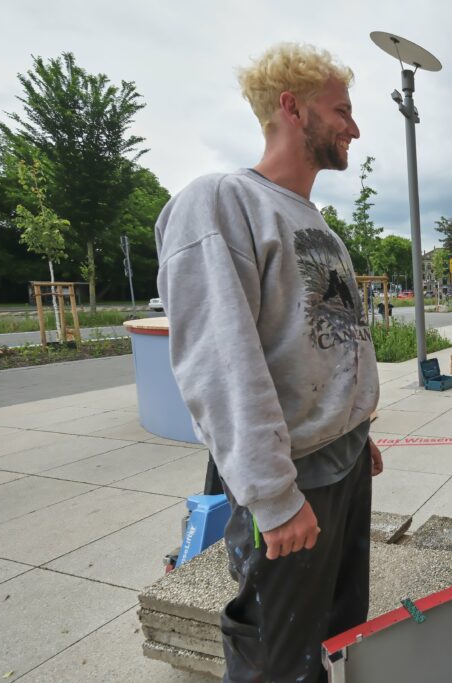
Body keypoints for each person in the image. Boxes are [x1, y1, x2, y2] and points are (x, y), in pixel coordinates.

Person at [154, 43, 381, 683]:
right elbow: (221, 362)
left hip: (344, 464)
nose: (354, 128)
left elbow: (326, 342)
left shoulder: (316, 222)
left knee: (336, 637)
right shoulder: (222, 202)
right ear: (292, 107)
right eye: (341, 110)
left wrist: (355, 425)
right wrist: (273, 498)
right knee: (277, 660)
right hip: (292, 481)